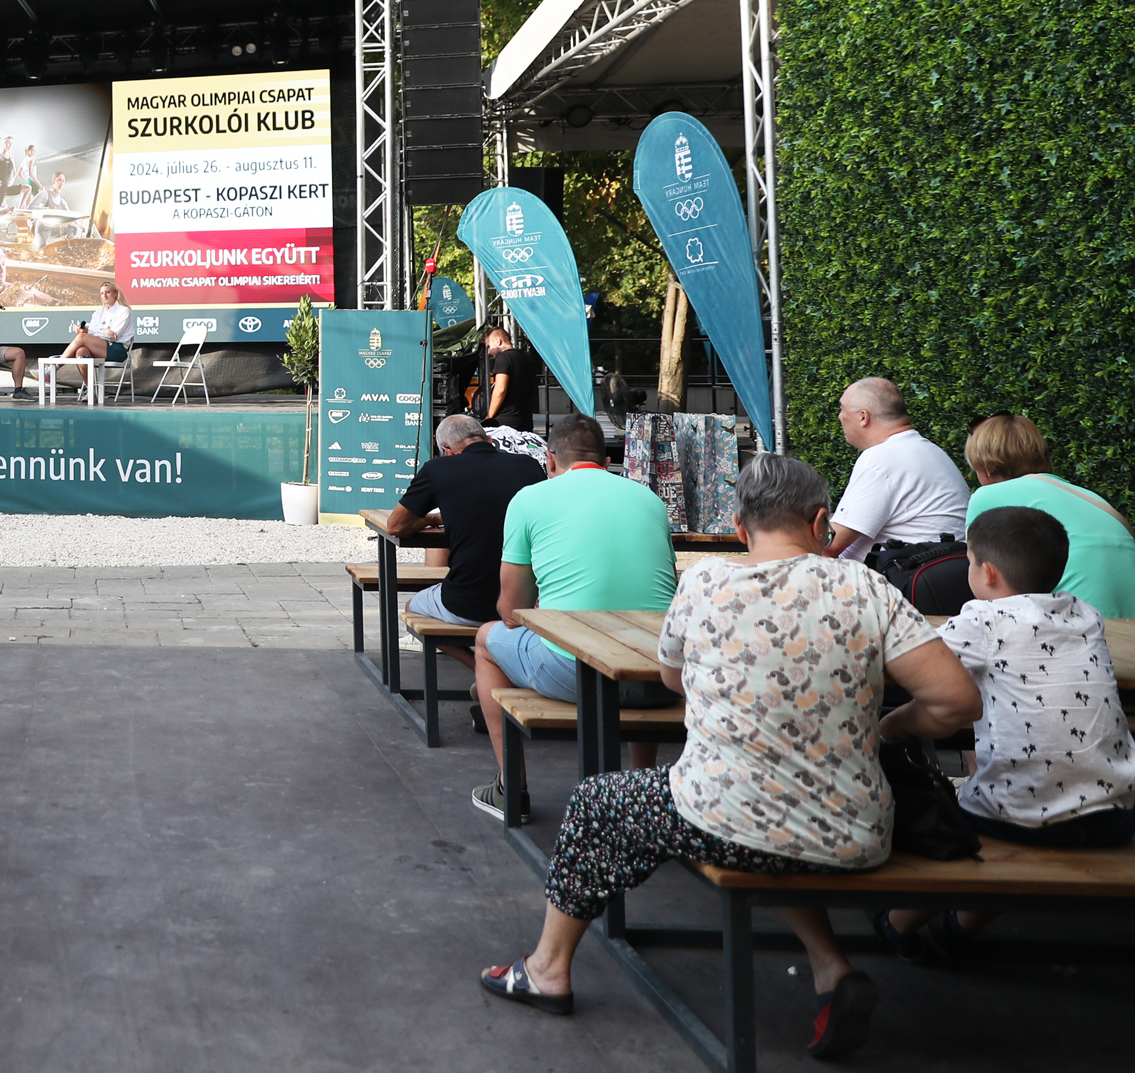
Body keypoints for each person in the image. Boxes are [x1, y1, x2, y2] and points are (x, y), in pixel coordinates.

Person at [479, 455, 980, 1059]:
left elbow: (671, 677)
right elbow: (957, 702)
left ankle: (546, 969)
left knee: (598, 801)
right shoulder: (867, 587)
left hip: (726, 814)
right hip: (855, 831)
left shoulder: (706, 583)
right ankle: (831, 969)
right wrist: (891, 728)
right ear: (820, 521)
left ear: (740, 526)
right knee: (770, 814)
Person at [877, 505, 1135, 959]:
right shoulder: (1086, 615)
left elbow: (912, 667)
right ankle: (956, 929)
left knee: (954, 826)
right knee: (1031, 811)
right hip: (1115, 812)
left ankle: (897, 924)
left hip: (1017, 816)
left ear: (988, 573)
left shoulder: (982, 620)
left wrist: (891, 724)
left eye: (970, 562)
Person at [469, 413, 679, 819]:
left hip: (575, 674)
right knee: (641, 640)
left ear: (550, 459)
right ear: (606, 461)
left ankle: (511, 788)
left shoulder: (529, 499)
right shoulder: (649, 499)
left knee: (485, 640)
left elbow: (511, 612)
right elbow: (665, 589)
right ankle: (639, 786)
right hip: (661, 676)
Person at [386, 415, 547, 654]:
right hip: (526, 602)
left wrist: (430, 519)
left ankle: (478, 666)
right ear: (489, 439)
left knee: (412, 608)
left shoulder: (437, 469)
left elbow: (396, 526)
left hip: (468, 603)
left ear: (447, 450)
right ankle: (493, 663)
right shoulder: (528, 466)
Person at [956, 411, 1135, 616]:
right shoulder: (1087, 495)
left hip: (1080, 619)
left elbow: (985, 579)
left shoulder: (986, 496)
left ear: (986, 468)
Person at [827, 376, 969, 561]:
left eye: (842, 409)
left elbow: (829, 545)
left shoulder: (881, 458)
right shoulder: (928, 450)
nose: (840, 416)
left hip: (900, 575)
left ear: (863, 417)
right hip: (935, 569)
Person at [56, 280, 132, 395]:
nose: (105, 296)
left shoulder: (124, 311)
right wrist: (100, 331)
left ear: (116, 293)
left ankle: (54, 368)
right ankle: (90, 390)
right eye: (102, 293)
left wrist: (91, 332)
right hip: (100, 348)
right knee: (81, 351)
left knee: (82, 337)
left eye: (108, 292)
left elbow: (113, 336)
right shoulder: (98, 313)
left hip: (118, 349)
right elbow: (95, 333)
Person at [478, 325, 534, 434]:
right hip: (525, 421)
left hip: (505, 422)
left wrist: (490, 416)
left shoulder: (503, 358)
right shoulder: (528, 357)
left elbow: (500, 389)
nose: (489, 352)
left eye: (489, 346)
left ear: (498, 341)